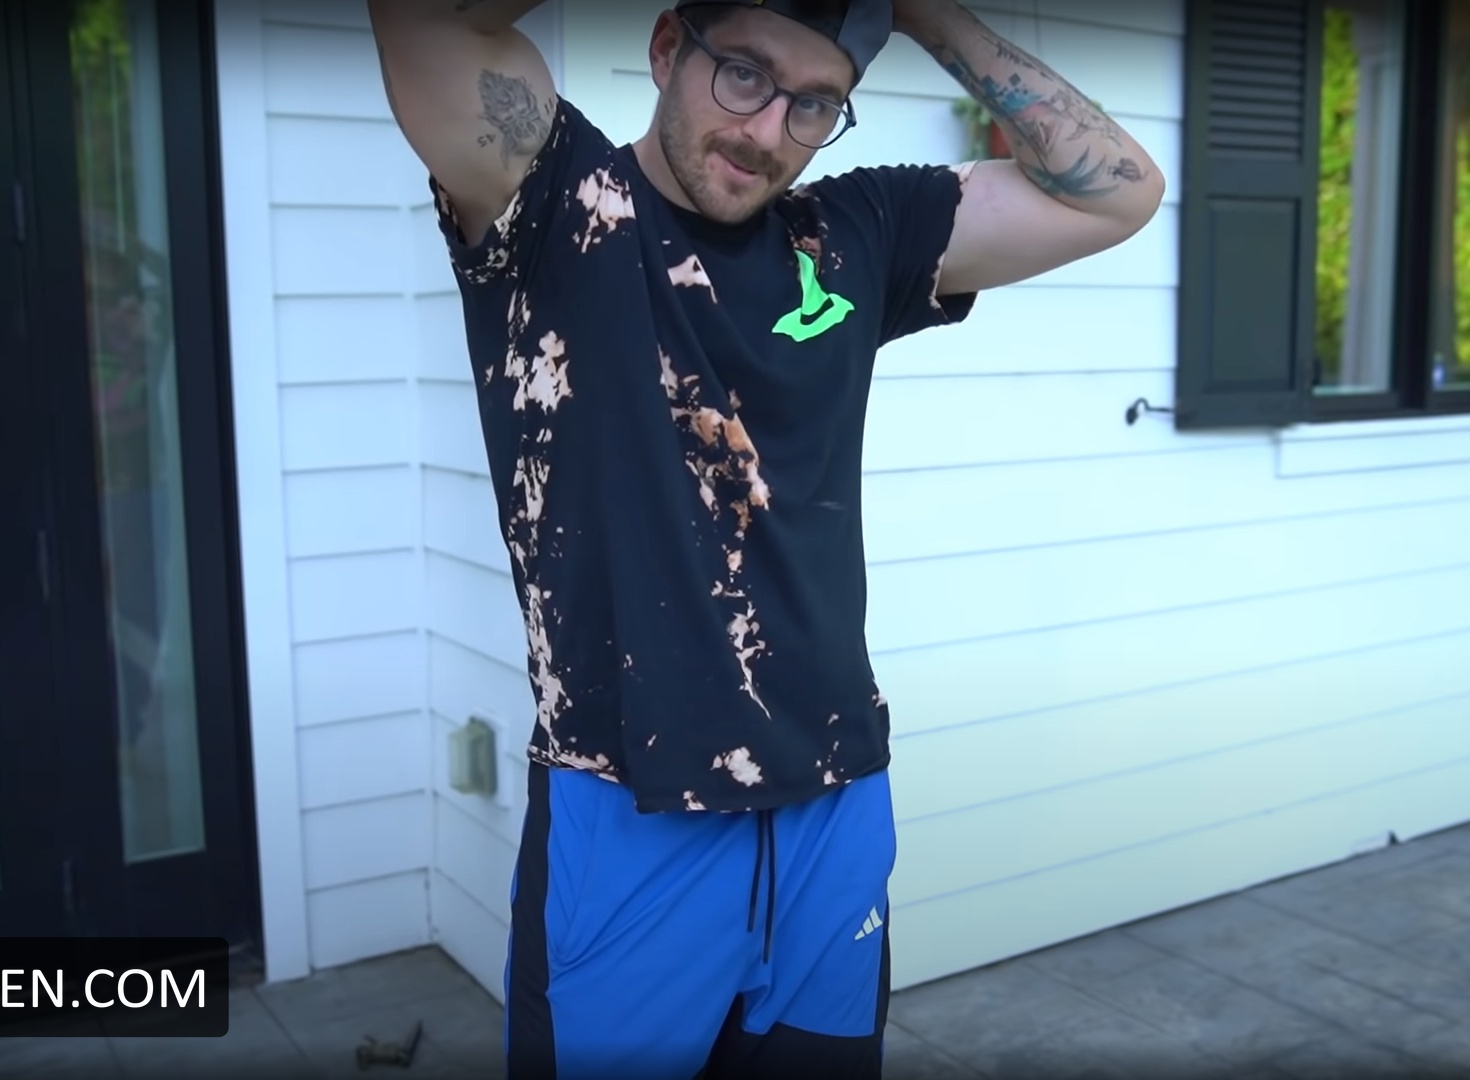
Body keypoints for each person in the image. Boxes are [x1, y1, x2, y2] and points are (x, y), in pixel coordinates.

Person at [368, 1, 1163, 1076]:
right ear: (666, 48)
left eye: (814, 104)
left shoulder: (857, 233)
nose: (767, 129)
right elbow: (423, 23)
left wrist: (923, 13)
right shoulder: (558, 197)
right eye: (742, 73)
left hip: (837, 804)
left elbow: (1119, 191)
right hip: (629, 802)